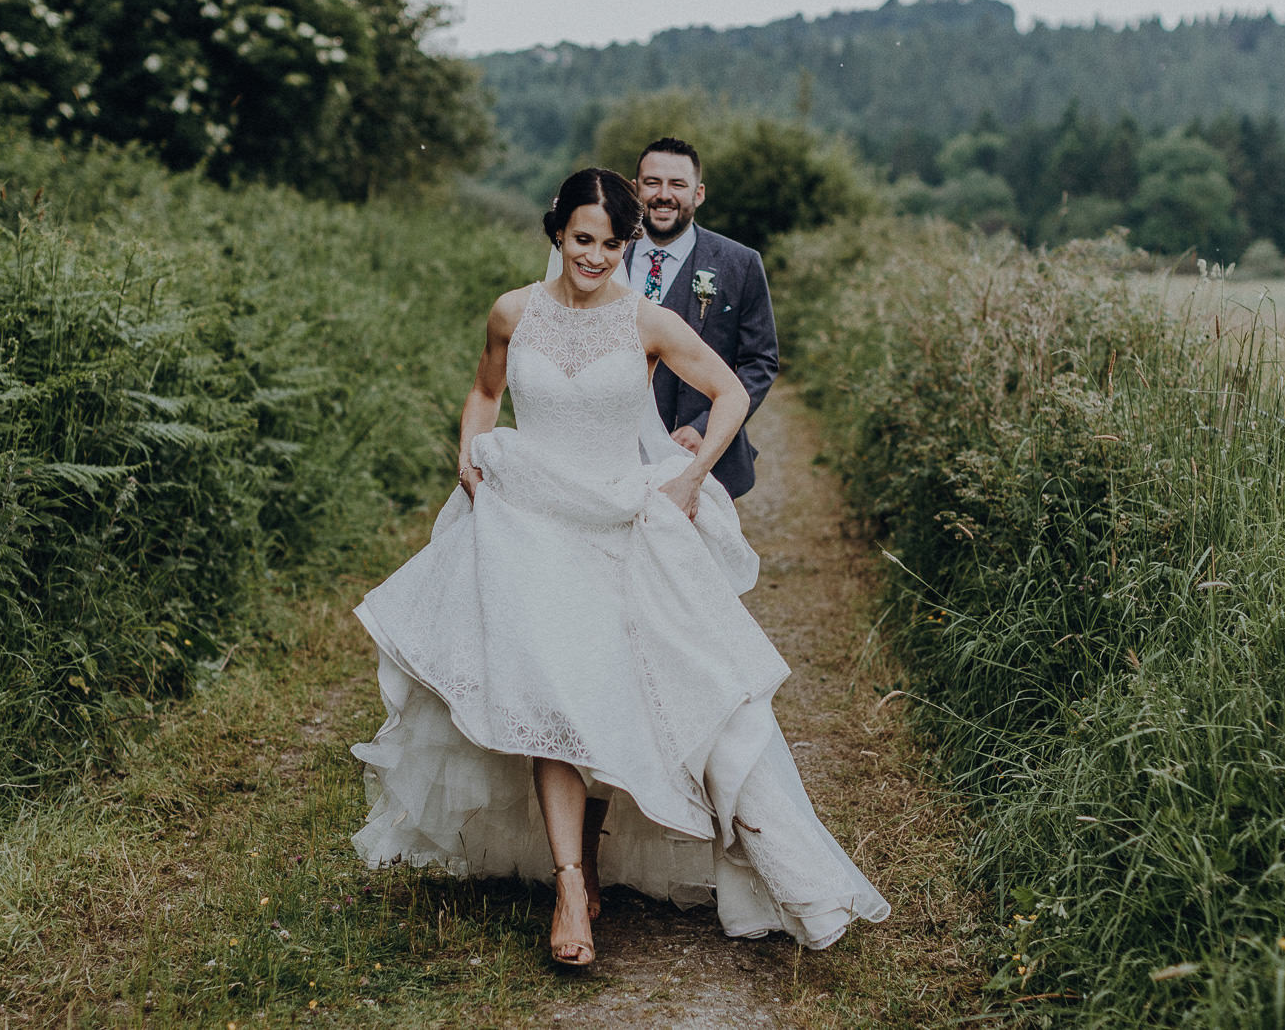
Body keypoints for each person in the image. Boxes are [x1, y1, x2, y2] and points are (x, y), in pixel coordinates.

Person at [350, 168, 887, 968]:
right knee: (551, 694)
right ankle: (570, 885)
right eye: (581, 239)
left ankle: (594, 862)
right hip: (528, 524)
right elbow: (484, 390)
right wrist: (469, 454)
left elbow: (730, 391)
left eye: (608, 243)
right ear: (556, 233)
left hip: (614, 521)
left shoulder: (648, 321)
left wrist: (693, 474)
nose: (593, 257)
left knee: (611, 692)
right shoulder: (512, 311)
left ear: (626, 243)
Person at [623, 137, 779, 499]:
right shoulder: (603, 257)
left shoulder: (740, 263)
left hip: (704, 461)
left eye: (677, 184)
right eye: (652, 182)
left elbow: (760, 362)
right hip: (616, 458)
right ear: (634, 190)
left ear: (699, 193)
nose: (664, 195)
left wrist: (704, 428)